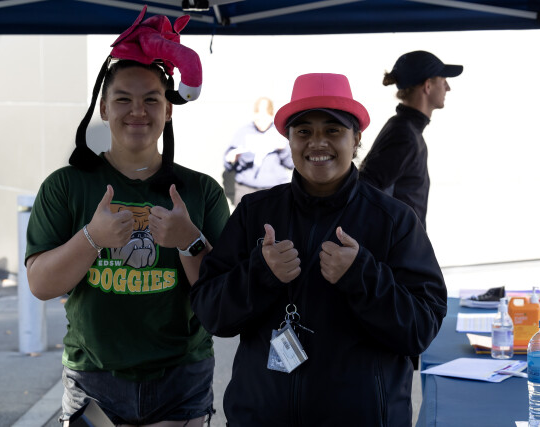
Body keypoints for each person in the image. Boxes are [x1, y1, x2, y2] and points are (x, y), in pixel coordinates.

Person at [190, 73, 447, 426]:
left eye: (333, 130)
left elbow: (421, 327)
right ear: (289, 140)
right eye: (304, 131)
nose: (317, 142)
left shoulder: (393, 220)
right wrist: (260, 273)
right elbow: (210, 313)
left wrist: (362, 275)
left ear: (356, 139)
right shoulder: (255, 212)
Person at [24, 7, 229, 426]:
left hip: (181, 375)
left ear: (168, 110)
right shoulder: (66, 186)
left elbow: (224, 300)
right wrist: (91, 238)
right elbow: (41, 285)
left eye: (151, 99)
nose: (138, 111)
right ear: (103, 108)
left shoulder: (202, 190)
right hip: (93, 378)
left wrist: (189, 241)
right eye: (123, 100)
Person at [359, 50, 463, 229]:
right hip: (401, 246)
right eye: (443, 80)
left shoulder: (404, 129)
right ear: (427, 86)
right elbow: (365, 190)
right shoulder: (404, 134)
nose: (448, 87)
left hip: (407, 244)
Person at [223, 96, 294, 205]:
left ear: (271, 115)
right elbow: (228, 161)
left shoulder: (280, 133)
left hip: (275, 191)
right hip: (246, 190)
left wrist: (284, 149)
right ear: (254, 115)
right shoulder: (244, 132)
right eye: (258, 118)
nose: (261, 122)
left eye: (265, 117)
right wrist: (231, 159)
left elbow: (291, 164)